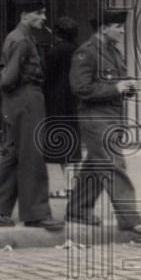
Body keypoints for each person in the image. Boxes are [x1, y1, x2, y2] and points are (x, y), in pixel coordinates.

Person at [0, 0, 64, 231]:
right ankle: (36, 214)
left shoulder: (19, 37)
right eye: (39, 13)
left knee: (14, 153)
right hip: (26, 100)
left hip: (21, 100)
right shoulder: (22, 40)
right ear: (25, 15)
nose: (43, 17)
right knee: (32, 155)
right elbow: (8, 77)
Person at [65, 10, 141, 235]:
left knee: (96, 166)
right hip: (94, 118)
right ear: (104, 28)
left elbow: (118, 84)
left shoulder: (114, 52)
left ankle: (77, 210)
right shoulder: (86, 53)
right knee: (113, 165)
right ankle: (130, 219)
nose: (123, 30)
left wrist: (127, 86)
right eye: (118, 26)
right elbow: (80, 88)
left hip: (112, 116)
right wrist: (114, 88)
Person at [43, 16, 82, 198]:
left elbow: (47, 77)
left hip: (58, 102)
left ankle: (69, 187)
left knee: (61, 146)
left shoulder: (55, 51)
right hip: (74, 102)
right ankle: (72, 185)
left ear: (57, 33)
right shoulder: (79, 50)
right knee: (72, 145)